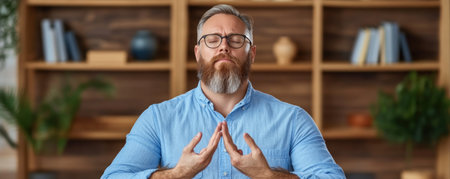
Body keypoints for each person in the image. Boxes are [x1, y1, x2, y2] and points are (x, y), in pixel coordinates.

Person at [102, 4, 345, 179]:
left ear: (252, 53)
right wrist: (175, 175)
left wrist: (268, 177)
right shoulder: (157, 118)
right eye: (213, 39)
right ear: (198, 53)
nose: (224, 46)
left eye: (236, 39)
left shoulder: (294, 120)